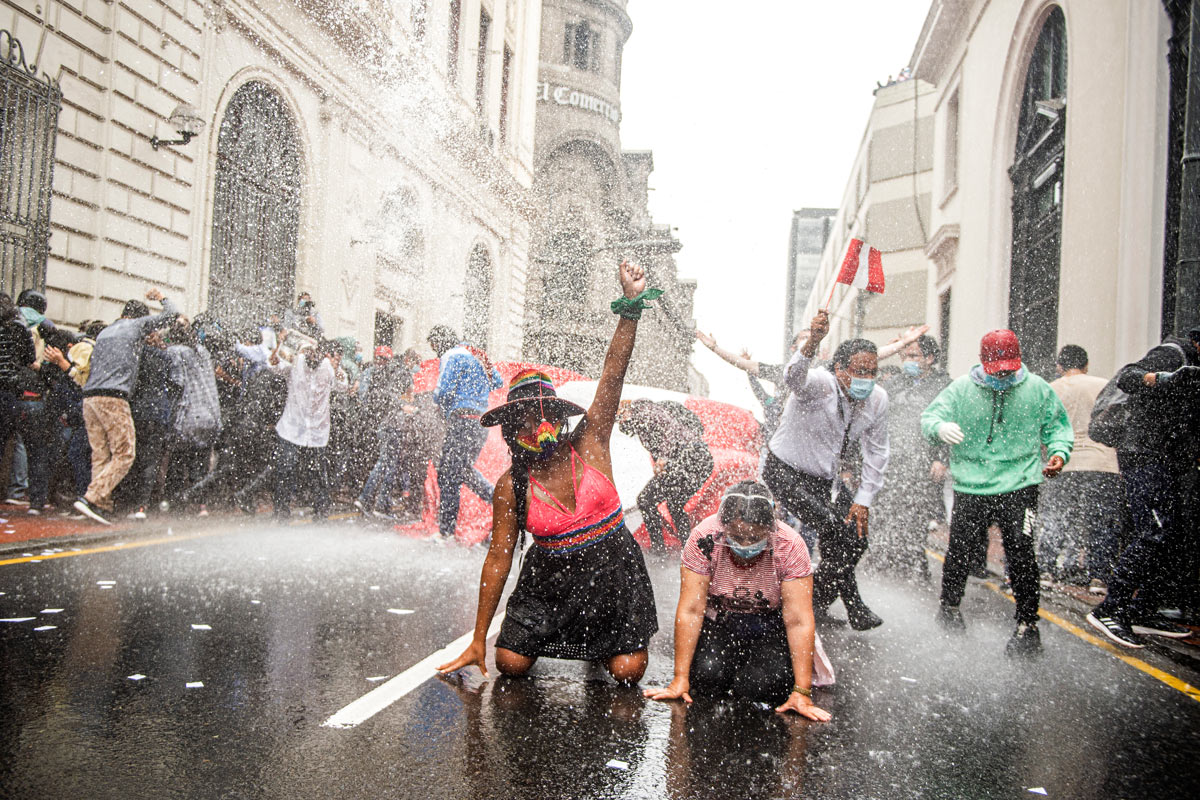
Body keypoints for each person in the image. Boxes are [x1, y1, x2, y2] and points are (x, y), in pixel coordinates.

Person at [437, 261, 659, 684]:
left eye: (546, 416)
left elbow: (613, 372)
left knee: (628, 672)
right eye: (525, 420)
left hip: (612, 570)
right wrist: (478, 638)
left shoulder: (590, 442)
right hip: (550, 578)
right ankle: (536, 641)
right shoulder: (511, 485)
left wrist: (630, 307)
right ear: (510, 430)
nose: (539, 428)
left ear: (560, 417)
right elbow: (499, 556)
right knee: (510, 663)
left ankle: (606, 646)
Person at [921, 329, 1073, 655]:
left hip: (1020, 483)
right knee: (960, 550)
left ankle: (1027, 624)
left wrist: (1059, 453)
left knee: (1021, 552)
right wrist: (939, 428)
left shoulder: (1037, 389)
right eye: (996, 371)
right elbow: (930, 417)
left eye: (1007, 370)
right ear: (982, 362)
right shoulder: (962, 388)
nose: (1002, 377)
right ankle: (949, 607)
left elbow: (1057, 427)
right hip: (970, 485)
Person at [642, 481, 834, 719]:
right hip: (719, 623)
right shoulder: (704, 538)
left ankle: (755, 674)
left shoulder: (790, 545)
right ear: (724, 526)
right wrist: (680, 679)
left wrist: (802, 692)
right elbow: (691, 609)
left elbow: (798, 620)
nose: (745, 545)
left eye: (755, 537)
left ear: (770, 528)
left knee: (763, 686)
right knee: (706, 677)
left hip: (769, 627)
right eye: (737, 536)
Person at [762, 310, 889, 631]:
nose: (867, 379)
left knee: (856, 539)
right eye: (860, 372)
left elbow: (877, 452)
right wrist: (813, 343)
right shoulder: (820, 384)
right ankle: (854, 605)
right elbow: (793, 377)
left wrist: (864, 499)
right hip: (785, 471)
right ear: (840, 369)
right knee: (834, 530)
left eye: (873, 372)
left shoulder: (878, 400)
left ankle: (814, 601)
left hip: (824, 479)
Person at [1085, 327, 1200, 648]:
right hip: (1143, 453)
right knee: (1156, 531)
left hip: (1167, 458)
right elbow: (1128, 377)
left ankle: (1142, 610)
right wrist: (1161, 379)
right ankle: (1110, 609)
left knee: (1172, 535)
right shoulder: (1173, 354)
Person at [73, 288, 178, 525]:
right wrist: (161, 298)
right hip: (113, 397)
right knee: (125, 453)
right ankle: (91, 498)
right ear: (141, 318)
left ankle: (101, 505)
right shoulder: (136, 326)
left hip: (90, 398)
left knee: (101, 454)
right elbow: (172, 315)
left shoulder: (105, 332)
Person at [1036, 345, 1124, 590]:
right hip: (1102, 462)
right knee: (1102, 522)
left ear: (1059, 366)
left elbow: (1043, 429)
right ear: (1086, 365)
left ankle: (1046, 570)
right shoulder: (1104, 385)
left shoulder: (1051, 389)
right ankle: (1099, 576)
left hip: (1063, 462)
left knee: (1057, 516)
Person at [870, 334, 950, 580]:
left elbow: (951, 422)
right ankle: (883, 559)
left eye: (913, 356)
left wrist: (942, 458)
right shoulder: (894, 384)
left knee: (917, 513)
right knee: (885, 509)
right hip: (892, 459)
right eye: (904, 356)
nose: (907, 361)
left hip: (923, 461)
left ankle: (914, 560)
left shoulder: (943, 386)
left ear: (930, 358)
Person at [428, 325, 502, 540]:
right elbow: (497, 381)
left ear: (440, 342)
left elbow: (444, 390)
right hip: (479, 423)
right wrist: (475, 389)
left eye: (434, 346)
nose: (435, 352)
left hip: (461, 421)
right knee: (462, 471)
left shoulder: (451, 355)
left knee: (449, 475)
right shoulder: (476, 354)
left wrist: (435, 399)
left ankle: (446, 533)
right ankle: (500, 500)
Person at [618, 398, 714, 552]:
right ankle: (689, 548)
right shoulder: (643, 419)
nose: (620, 422)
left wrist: (663, 458)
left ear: (627, 410)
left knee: (645, 500)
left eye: (620, 416)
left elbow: (670, 429)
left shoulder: (644, 411)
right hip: (700, 461)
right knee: (674, 504)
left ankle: (659, 550)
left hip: (691, 458)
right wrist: (662, 463)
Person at [268, 338, 346, 521]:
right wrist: (279, 346)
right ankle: (281, 512)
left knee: (317, 473)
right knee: (285, 470)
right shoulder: (296, 363)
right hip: (292, 428)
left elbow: (343, 386)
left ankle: (321, 512)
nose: (312, 356)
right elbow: (274, 365)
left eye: (316, 353)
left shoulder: (328, 367)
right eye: (309, 352)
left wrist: (337, 369)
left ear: (323, 355)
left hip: (317, 431)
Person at [356, 368, 444, 519]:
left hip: (393, 429)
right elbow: (398, 402)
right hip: (393, 430)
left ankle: (372, 501)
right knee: (389, 467)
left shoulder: (406, 390)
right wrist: (408, 408)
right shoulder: (405, 389)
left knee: (387, 466)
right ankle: (377, 503)